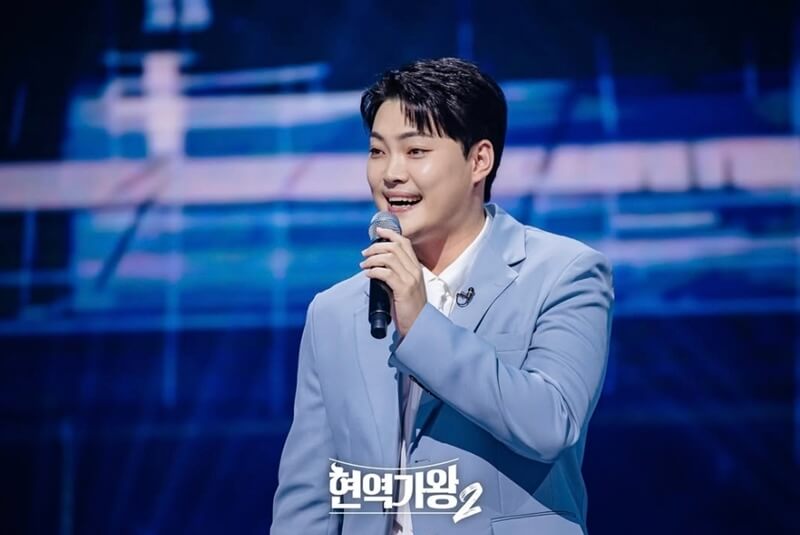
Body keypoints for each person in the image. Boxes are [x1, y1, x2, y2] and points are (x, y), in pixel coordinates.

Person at [271, 57, 613, 535]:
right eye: (377, 151)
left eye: (415, 151)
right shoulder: (335, 311)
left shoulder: (563, 274)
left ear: (479, 161)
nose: (391, 174)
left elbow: (551, 425)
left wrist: (421, 324)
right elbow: (309, 496)